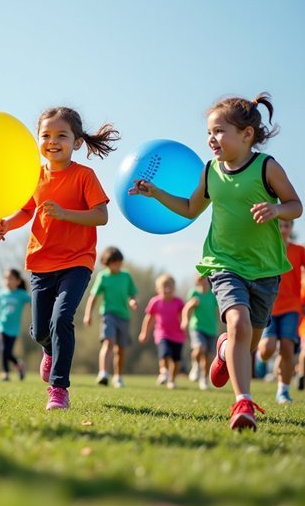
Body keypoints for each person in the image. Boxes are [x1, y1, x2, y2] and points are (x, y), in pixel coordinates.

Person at [130, 93, 302, 431]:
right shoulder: (210, 172)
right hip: (224, 265)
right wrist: (157, 192)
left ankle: (224, 352)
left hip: (266, 271)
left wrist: (277, 210)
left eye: (220, 131)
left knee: (248, 343)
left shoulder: (266, 167)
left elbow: (295, 204)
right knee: (236, 323)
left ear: (246, 135)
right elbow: (191, 209)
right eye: (209, 132)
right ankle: (243, 404)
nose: (211, 138)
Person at [0, 106, 119, 410]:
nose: (53, 141)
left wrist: (65, 214)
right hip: (40, 262)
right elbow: (27, 209)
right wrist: (9, 223)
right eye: (46, 135)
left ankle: (59, 388)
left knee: (62, 319)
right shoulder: (33, 175)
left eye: (61, 135)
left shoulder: (84, 176)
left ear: (76, 142)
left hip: (77, 262)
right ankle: (49, 351)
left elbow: (101, 216)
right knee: (40, 332)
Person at [257, 219, 305, 405]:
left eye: (287, 225)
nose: (284, 228)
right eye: (280, 225)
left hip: (291, 308)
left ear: (291, 228)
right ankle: (260, 359)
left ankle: (283, 392)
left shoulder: (299, 251)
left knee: (287, 348)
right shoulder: (266, 247)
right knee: (267, 349)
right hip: (268, 306)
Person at [83, 246, 138, 387]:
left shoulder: (126, 276)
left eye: (120, 262)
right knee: (108, 342)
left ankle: (118, 377)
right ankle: (103, 373)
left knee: (121, 349)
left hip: (124, 316)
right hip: (108, 314)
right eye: (115, 263)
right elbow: (93, 296)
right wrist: (88, 314)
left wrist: (132, 302)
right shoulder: (103, 276)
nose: (118, 265)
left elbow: (132, 294)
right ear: (107, 263)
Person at [138, 274, 185, 389]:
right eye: (164, 287)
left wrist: (185, 325)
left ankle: (172, 381)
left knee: (176, 360)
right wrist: (144, 333)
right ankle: (163, 372)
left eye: (170, 286)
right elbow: (149, 318)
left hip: (178, 335)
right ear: (158, 289)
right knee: (164, 353)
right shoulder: (155, 302)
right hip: (162, 333)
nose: (167, 289)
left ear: (174, 288)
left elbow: (184, 316)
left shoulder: (178, 302)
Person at [181, 274, 220, 391]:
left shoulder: (213, 295)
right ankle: (195, 365)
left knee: (208, 357)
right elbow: (187, 308)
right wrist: (185, 321)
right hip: (197, 327)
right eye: (199, 280)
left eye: (204, 280)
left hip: (211, 329)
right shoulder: (194, 293)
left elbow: (218, 310)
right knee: (199, 348)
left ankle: (204, 378)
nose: (201, 282)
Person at [0, 268, 31, 381]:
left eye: (10, 278)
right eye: (5, 278)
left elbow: (33, 302)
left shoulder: (21, 295)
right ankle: (5, 373)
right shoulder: (0, 294)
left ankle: (18, 364)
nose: (7, 281)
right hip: (1, 326)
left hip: (14, 328)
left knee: (8, 352)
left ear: (18, 281)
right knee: (2, 350)